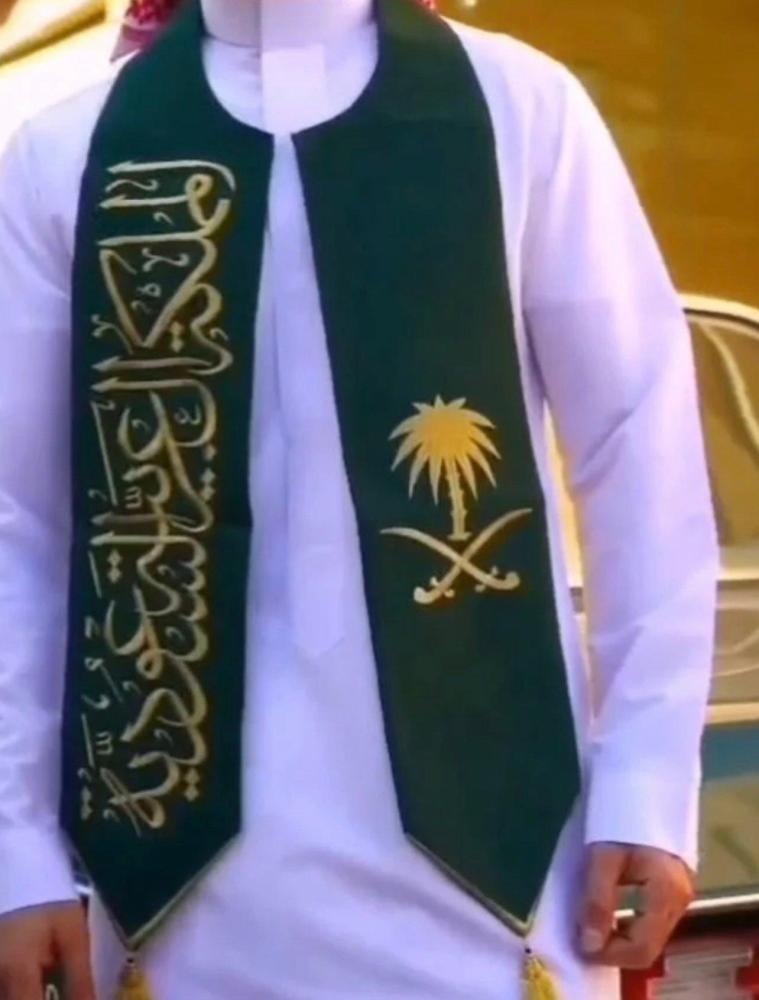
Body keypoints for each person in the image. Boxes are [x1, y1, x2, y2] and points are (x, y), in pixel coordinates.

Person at [0, 0, 717, 998]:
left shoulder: (515, 107)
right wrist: (18, 846)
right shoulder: (69, 151)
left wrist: (645, 776)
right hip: (178, 896)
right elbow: (22, 525)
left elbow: (639, 447)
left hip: (500, 879)